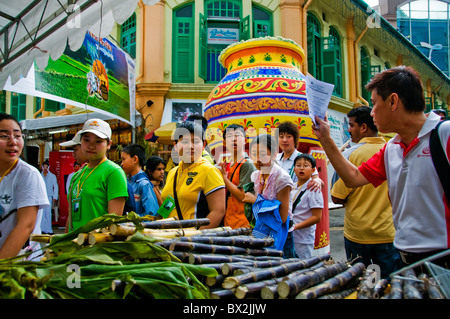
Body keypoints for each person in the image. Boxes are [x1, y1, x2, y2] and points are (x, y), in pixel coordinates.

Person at [313, 66, 450, 268]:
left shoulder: (444, 135)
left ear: (393, 101)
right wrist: (325, 138)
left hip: (442, 260)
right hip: (404, 259)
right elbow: (353, 177)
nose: (372, 112)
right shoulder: (391, 149)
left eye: (375, 104)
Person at [330, 106, 398, 278]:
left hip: (358, 235)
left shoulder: (351, 155)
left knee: (362, 284)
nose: (348, 130)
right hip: (388, 233)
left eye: (351, 125)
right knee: (389, 285)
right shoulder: (392, 150)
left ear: (364, 128)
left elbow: (336, 197)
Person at [0, 113, 49, 259]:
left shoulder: (28, 174)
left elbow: (26, 225)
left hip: (18, 265)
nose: (13, 142)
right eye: (4, 136)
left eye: (17, 135)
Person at [161, 121, 226, 228]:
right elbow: (169, 203)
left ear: (204, 145)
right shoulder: (173, 172)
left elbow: (218, 212)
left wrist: (195, 236)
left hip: (192, 241)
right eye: (184, 141)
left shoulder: (209, 171)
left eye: (195, 141)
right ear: (175, 146)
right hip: (169, 237)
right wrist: (158, 223)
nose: (190, 146)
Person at [68, 118, 128, 231]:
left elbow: (113, 221)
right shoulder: (77, 175)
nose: (91, 146)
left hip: (96, 245)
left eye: (98, 141)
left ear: (109, 144)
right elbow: (70, 217)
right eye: (86, 140)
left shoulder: (113, 172)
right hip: (74, 245)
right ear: (80, 142)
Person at [243, 134, 294, 251]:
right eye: (254, 154)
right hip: (262, 229)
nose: (258, 159)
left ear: (274, 153)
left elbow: (282, 217)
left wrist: (256, 201)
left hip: (280, 234)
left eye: (263, 154)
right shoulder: (255, 175)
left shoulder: (282, 178)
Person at [217, 124, 256, 229]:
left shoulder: (247, 164)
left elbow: (244, 196)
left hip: (243, 224)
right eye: (229, 136)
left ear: (245, 140)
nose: (234, 139)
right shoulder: (230, 164)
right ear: (224, 142)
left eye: (237, 135)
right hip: (230, 222)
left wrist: (224, 178)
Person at [290, 154, 323, 260]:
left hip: (303, 239)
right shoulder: (292, 186)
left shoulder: (314, 189)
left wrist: (295, 227)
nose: (301, 168)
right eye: (298, 165)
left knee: (303, 267)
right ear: (294, 169)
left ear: (313, 170)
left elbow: (317, 217)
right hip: (290, 236)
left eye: (306, 165)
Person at [276, 121, 323, 189]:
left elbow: (316, 178)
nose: (284, 140)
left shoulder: (304, 158)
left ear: (295, 139)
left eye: (288, 137)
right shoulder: (275, 159)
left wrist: (317, 181)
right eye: (281, 137)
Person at [121, 144, 159, 217]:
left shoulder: (144, 184)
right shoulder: (127, 180)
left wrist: (131, 218)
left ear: (135, 159)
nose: (122, 164)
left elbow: (151, 214)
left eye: (124, 159)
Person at [40, 160, 58, 234]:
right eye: (44, 167)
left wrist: (55, 196)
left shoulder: (52, 176)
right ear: (42, 167)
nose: (45, 168)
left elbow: (55, 186)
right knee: (41, 213)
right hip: (41, 196)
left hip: (49, 196)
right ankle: (42, 229)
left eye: (46, 167)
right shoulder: (39, 175)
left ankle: (49, 230)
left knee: (48, 213)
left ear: (48, 167)